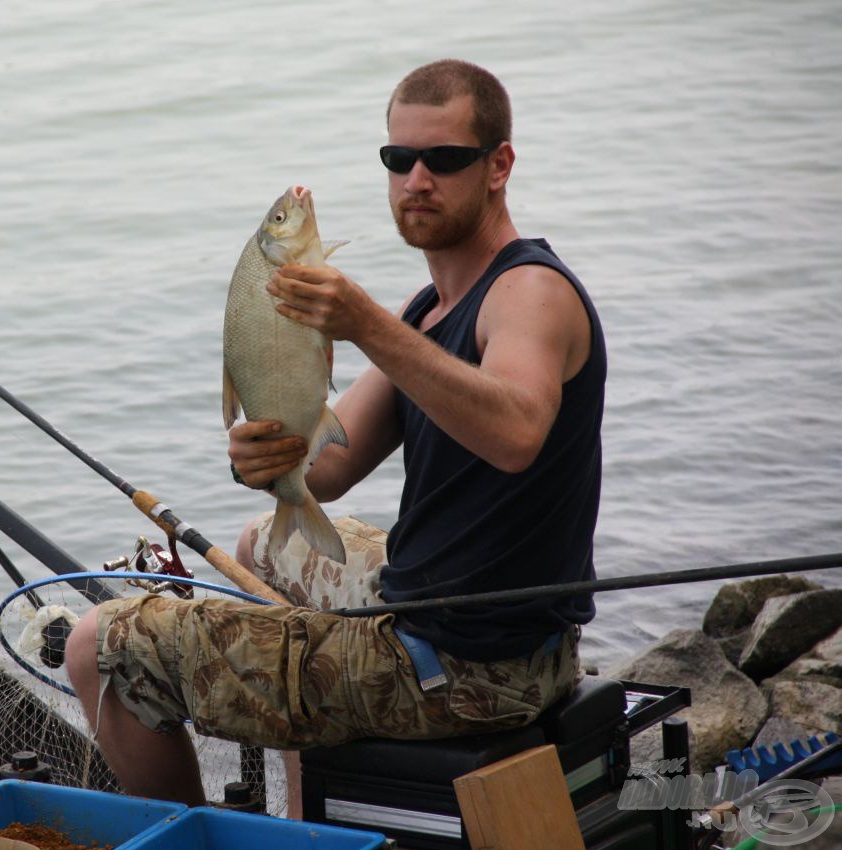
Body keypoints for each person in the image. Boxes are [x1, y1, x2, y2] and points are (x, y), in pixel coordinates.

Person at [66, 58, 605, 808]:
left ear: (498, 166)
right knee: (266, 541)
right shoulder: (429, 311)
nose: (417, 179)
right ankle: (307, 811)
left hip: (473, 668)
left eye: (444, 160)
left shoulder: (529, 295)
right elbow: (319, 475)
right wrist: (258, 458)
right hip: (454, 616)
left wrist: (365, 324)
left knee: (100, 647)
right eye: (399, 159)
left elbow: (516, 432)